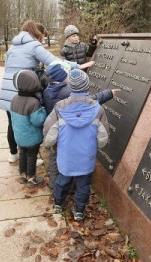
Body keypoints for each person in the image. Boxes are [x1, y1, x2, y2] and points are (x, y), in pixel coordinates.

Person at [0, 20, 95, 163]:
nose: (43, 39)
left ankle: (13, 154)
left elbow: (7, 68)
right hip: (24, 91)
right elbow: (55, 62)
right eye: (43, 36)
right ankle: (32, 157)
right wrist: (78, 66)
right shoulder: (34, 46)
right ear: (38, 33)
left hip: (8, 90)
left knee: (13, 123)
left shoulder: (12, 47)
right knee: (31, 124)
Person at [43, 69, 109, 221]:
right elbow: (103, 137)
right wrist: (98, 146)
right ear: (87, 85)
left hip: (66, 154)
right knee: (84, 184)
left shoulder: (60, 107)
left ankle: (59, 202)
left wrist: (51, 145)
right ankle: (79, 210)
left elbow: (49, 132)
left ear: (70, 86)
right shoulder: (98, 109)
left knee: (62, 180)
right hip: (86, 155)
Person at [42, 62, 120, 190]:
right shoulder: (67, 93)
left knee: (55, 160)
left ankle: (54, 187)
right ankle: (69, 188)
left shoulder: (47, 90)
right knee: (72, 162)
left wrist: (49, 139)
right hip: (69, 135)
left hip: (57, 132)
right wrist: (108, 93)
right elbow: (87, 102)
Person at [10, 70, 47, 188]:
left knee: (22, 153)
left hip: (19, 136)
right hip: (31, 138)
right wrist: (43, 111)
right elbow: (38, 121)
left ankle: (23, 175)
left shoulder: (14, 98)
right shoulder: (33, 102)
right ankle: (31, 178)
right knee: (32, 155)